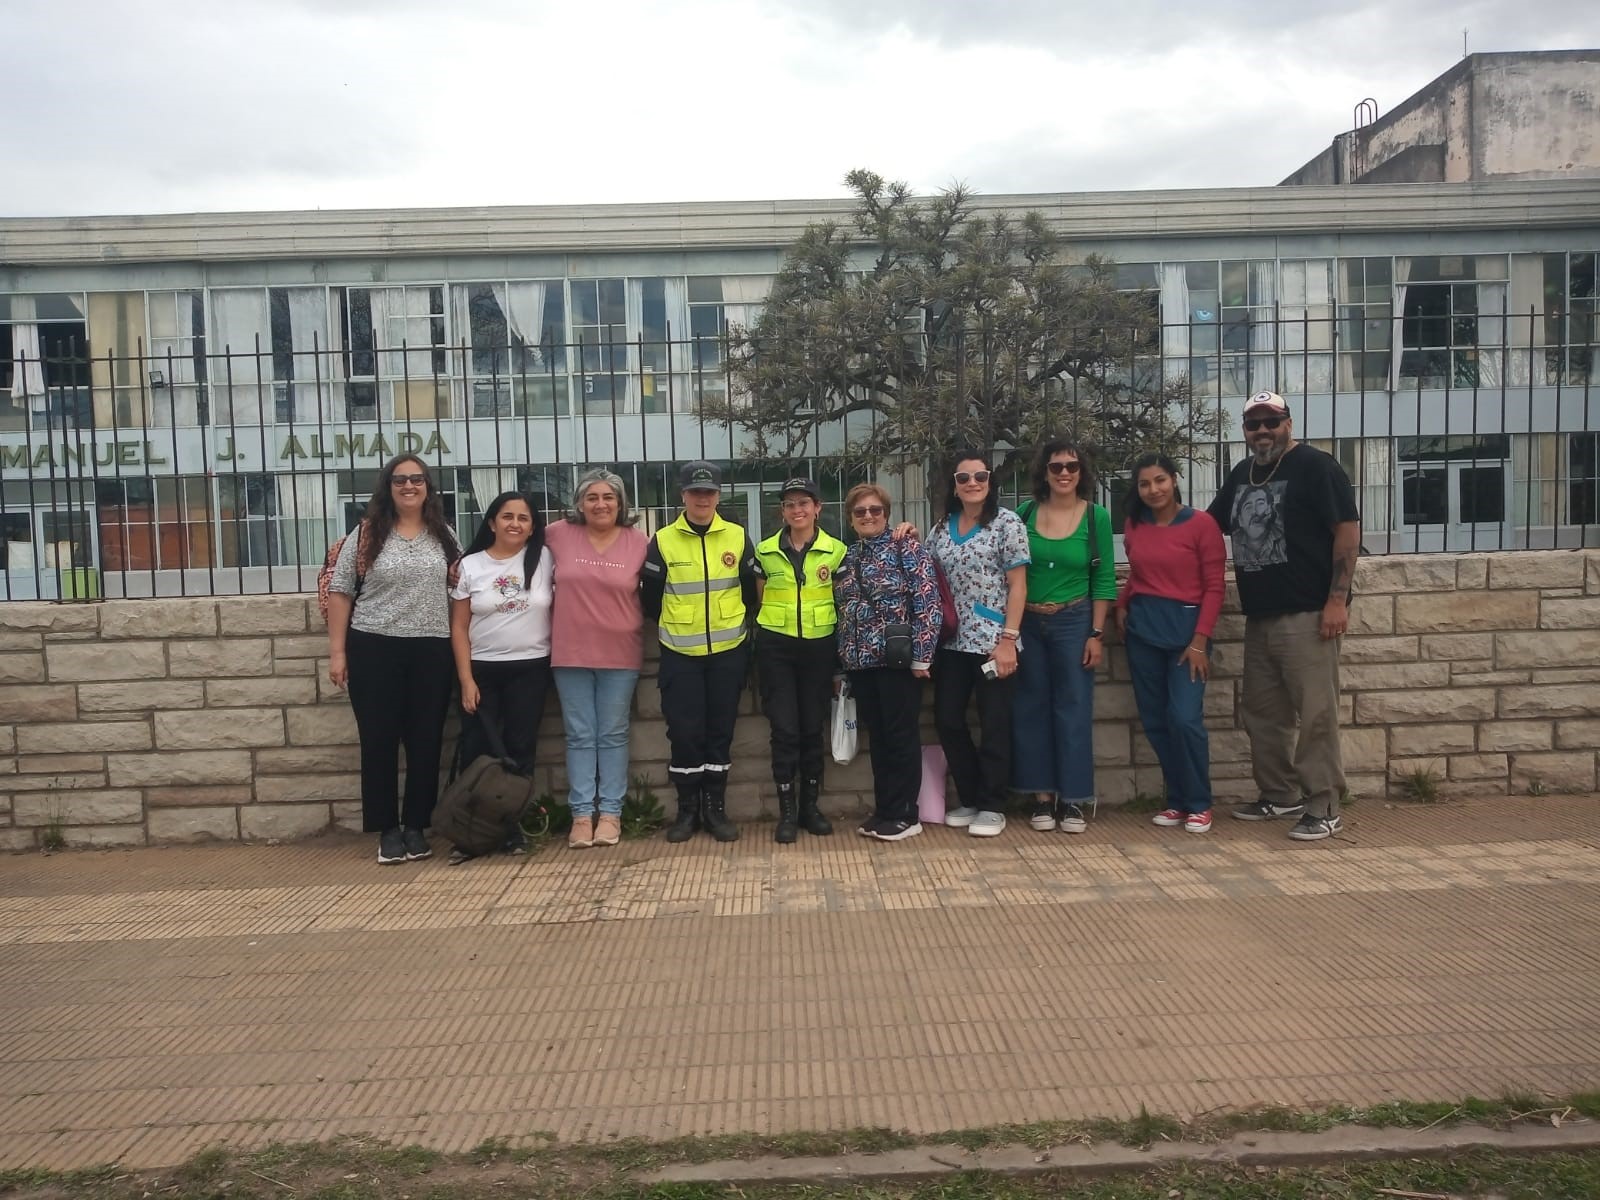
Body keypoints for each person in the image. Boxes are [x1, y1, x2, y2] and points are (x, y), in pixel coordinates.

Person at [1208, 391, 1361, 842]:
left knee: (1315, 714)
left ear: (1288, 424)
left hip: (1309, 613)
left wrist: (1337, 601)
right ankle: (1280, 794)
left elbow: (1347, 533)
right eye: (1253, 424)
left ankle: (1324, 805)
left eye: (1271, 422)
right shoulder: (1242, 473)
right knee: (1262, 713)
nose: (1262, 431)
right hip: (1260, 614)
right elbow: (1209, 525)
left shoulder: (1317, 467)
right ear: (1244, 430)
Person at [326, 454, 459, 865]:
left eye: (417, 479)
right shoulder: (367, 533)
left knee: (426, 741)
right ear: (388, 487)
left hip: (432, 648)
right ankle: (387, 830)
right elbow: (341, 590)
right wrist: (337, 652)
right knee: (379, 742)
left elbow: (461, 588)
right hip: (374, 646)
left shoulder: (444, 534)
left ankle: (416, 826)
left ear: (428, 487)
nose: (409, 486)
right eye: (399, 480)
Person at [640, 461, 760, 843]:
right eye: (695, 492)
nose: (702, 499)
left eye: (709, 492)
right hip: (680, 654)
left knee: (720, 732)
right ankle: (687, 811)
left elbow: (749, 591)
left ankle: (715, 810)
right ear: (683, 495)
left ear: (718, 496)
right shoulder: (663, 540)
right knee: (684, 733)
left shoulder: (738, 537)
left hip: (728, 651)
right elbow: (650, 599)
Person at [1113, 454, 1227, 834]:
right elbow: (1138, 575)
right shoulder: (1134, 524)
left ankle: (1199, 803)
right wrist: (1123, 603)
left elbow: (1215, 587)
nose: (1153, 489)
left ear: (1174, 480)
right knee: (1156, 720)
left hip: (1187, 636)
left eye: (1160, 480)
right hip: (1143, 632)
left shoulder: (1202, 525)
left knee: (1184, 718)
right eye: (1145, 484)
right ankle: (1177, 800)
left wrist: (1200, 642)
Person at [1011, 440, 1117, 834]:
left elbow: (1103, 579)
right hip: (1029, 621)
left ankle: (1073, 799)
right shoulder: (1023, 515)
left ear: (1082, 471)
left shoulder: (1096, 517)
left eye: (1072, 466)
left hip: (1074, 620)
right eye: (1056, 467)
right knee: (1031, 708)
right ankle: (1042, 797)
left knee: (1073, 709)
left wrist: (1096, 633)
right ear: (1044, 472)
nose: (1064, 473)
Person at [924, 450, 1029, 838]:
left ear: (990, 481)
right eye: (963, 478)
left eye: (980, 477)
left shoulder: (1007, 524)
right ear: (954, 485)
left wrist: (1009, 640)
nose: (972, 484)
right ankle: (969, 797)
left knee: (995, 724)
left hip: (993, 642)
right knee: (948, 720)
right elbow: (925, 573)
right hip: (952, 644)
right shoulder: (941, 528)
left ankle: (993, 804)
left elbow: (1018, 586)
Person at [545, 468, 650, 849]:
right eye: (592, 497)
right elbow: (509, 547)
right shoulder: (556, 534)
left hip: (621, 653)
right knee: (579, 735)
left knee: (612, 733)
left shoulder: (640, 542)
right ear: (579, 503)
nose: (600, 504)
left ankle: (610, 814)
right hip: (570, 651)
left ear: (621, 503)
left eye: (608, 497)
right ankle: (580, 815)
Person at [446, 490, 553, 863]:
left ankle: (511, 830)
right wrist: (466, 680)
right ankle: (469, 833)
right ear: (492, 522)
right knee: (478, 751)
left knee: (520, 750)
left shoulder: (545, 558)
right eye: (507, 516)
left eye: (523, 518)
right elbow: (459, 628)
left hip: (531, 667)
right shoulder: (470, 566)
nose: (515, 524)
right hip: (482, 670)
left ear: (533, 526)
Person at [834, 483, 941, 842]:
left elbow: (927, 602)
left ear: (886, 514)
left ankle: (906, 814)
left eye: (875, 510)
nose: (868, 516)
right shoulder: (849, 556)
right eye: (860, 511)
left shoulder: (906, 547)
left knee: (900, 736)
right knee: (878, 738)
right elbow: (843, 610)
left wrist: (922, 656)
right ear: (851, 518)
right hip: (861, 662)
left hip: (898, 660)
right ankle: (885, 810)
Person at [753, 476, 846, 843]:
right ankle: (787, 812)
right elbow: (759, 597)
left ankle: (810, 807)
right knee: (784, 730)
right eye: (790, 504)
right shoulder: (764, 551)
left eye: (804, 503)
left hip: (819, 649)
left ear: (817, 508)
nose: (797, 510)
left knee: (811, 728)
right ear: (783, 511)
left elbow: (841, 602)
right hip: (776, 649)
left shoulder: (836, 551)